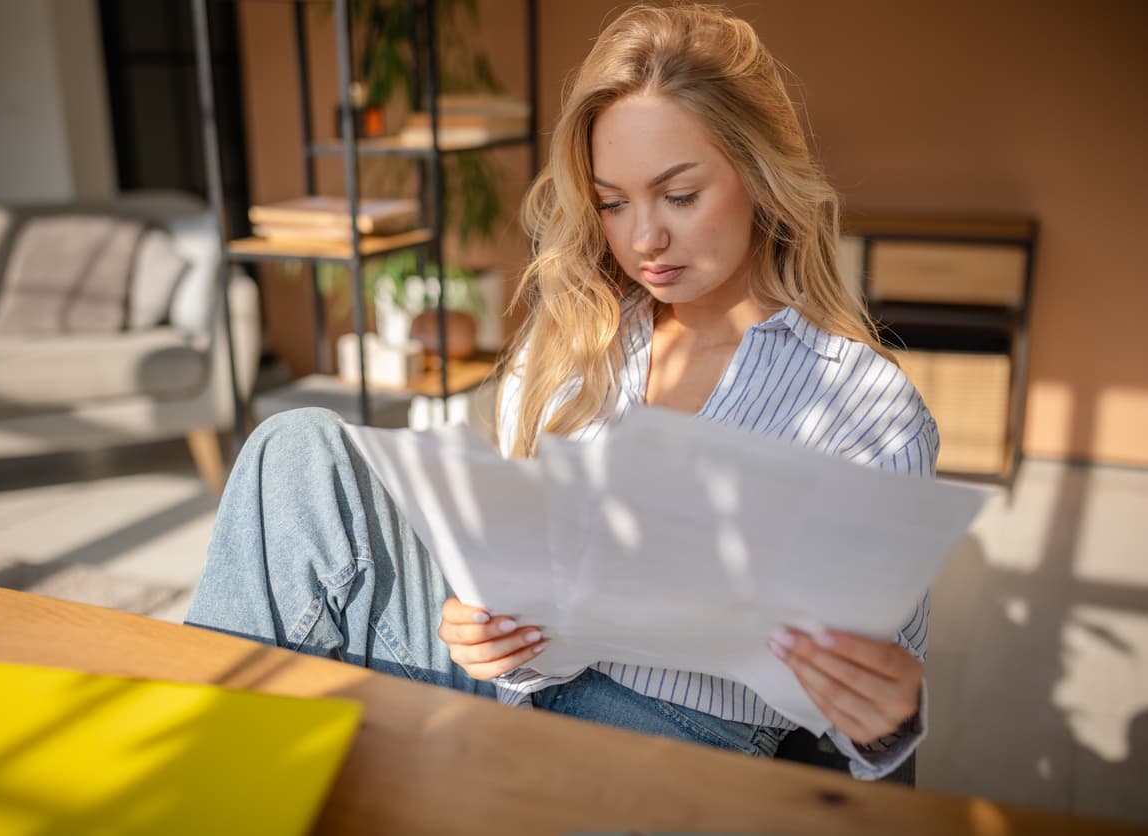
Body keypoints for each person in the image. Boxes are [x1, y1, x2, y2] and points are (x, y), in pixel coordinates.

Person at [186, 3, 935, 781]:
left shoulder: (862, 407)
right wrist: (477, 628)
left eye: (678, 196)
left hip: (665, 740)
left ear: (759, 177)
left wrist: (887, 719)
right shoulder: (579, 340)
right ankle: (208, 776)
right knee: (295, 447)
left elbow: (875, 720)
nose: (642, 238)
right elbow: (503, 558)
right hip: (497, 690)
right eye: (612, 202)